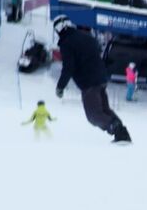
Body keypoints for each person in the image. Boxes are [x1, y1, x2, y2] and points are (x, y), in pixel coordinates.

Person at [53, 14, 133, 142]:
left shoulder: (67, 43)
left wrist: (60, 87)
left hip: (89, 83)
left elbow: (68, 67)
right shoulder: (87, 37)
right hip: (101, 79)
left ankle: (118, 131)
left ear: (60, 28)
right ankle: (122, 132)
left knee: (94, 115)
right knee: (104, 110)